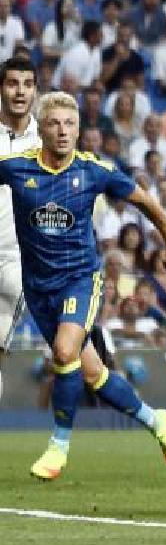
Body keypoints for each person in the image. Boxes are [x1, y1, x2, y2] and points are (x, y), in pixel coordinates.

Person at [0, 89, 166, 480]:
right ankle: (157, 421)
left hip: (80, 280)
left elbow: (145, 201)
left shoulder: (93, 170)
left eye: (70, 124)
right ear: (40, 129)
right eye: (55, 124)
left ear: (78, 130)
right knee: (92, 374)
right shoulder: (15, 167)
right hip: (39, 288)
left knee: (63, 351)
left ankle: (58, 447)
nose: (62, 131)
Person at [0, 56, 40, 403]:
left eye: (27, 84)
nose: (20, 91)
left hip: (17, 260)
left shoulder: (48, 141)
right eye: (13, 83)